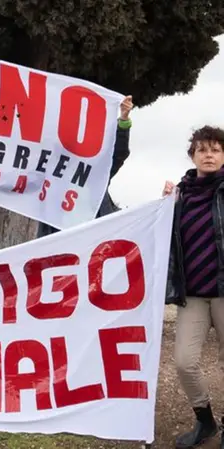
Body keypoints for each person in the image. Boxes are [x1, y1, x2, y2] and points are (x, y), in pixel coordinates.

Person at [162, 125, 224, 449]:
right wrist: (164, 207)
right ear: (193, 156)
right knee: (184, 361)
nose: (209, 155)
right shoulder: (180, 195)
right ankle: (205, 422)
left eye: (215, 149)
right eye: (203, 150)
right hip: (194, 294)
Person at [37, 95, 134, 238]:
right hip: (61, 242)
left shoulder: (97, 171)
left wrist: (123, 121)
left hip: (97, 242)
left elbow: (119, 153)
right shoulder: (48, 171)